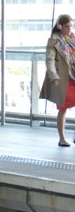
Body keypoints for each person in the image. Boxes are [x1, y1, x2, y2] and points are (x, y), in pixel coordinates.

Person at [39, 14, 75, 147]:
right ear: (60, 26)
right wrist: (53, 76)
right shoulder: (53, 40)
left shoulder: (72, 38)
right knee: (63, 108)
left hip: (73, 76)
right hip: (63, 79)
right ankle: (62, 138)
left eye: (71, 26)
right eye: (66, 26)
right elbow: (49, 60)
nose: (69, 29)